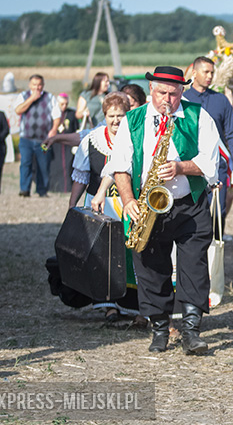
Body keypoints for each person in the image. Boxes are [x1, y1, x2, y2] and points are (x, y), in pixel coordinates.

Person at [104, 66, 219, 355]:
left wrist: (181, 167)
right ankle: (159, 328)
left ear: (182, 91)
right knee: (151, 267)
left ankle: (192, 330)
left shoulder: (198, 116)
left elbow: (210, 163)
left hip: (188, 203)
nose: (168, 99)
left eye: (174, 93)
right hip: (148, 204)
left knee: (194, 265)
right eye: (162, 93)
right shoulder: (134, 119)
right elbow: (120, 165)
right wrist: (129, 200)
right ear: (151, 90)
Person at [68, 92, 144, 324]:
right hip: (100, 203)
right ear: (105, 115)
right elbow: (81, 176)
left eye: (120, 115)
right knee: (104, 255)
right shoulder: (92, 140)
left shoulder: (135, 137)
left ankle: (138, 305)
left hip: (128, 203)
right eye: (111, 115)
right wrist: (72, 205)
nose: (116, 120)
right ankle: (108, 306)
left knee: (133, 253)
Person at [183, 56, 233, 234]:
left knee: (218, 212)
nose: (210, 76)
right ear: (194, 73)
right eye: (206, 72)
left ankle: (216, 255)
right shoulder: (183, 100)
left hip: (218, 166)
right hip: (191, 167)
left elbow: (232, 133)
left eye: (212, 72)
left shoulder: (221, 100)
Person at [14, 74, 61, 197]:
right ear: (30, 85)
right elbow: (18, 110)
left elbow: (56, 115)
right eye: (34, 85)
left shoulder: (49, 97)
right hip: (26, 138)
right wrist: (32, 99)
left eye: (39, 85)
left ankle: (42, 190)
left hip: (43, 139)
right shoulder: (23, 96)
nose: (37, 87)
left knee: (43, 165)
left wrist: (54, 130)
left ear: (43, 85)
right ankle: (24, 190)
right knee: (25, 164)